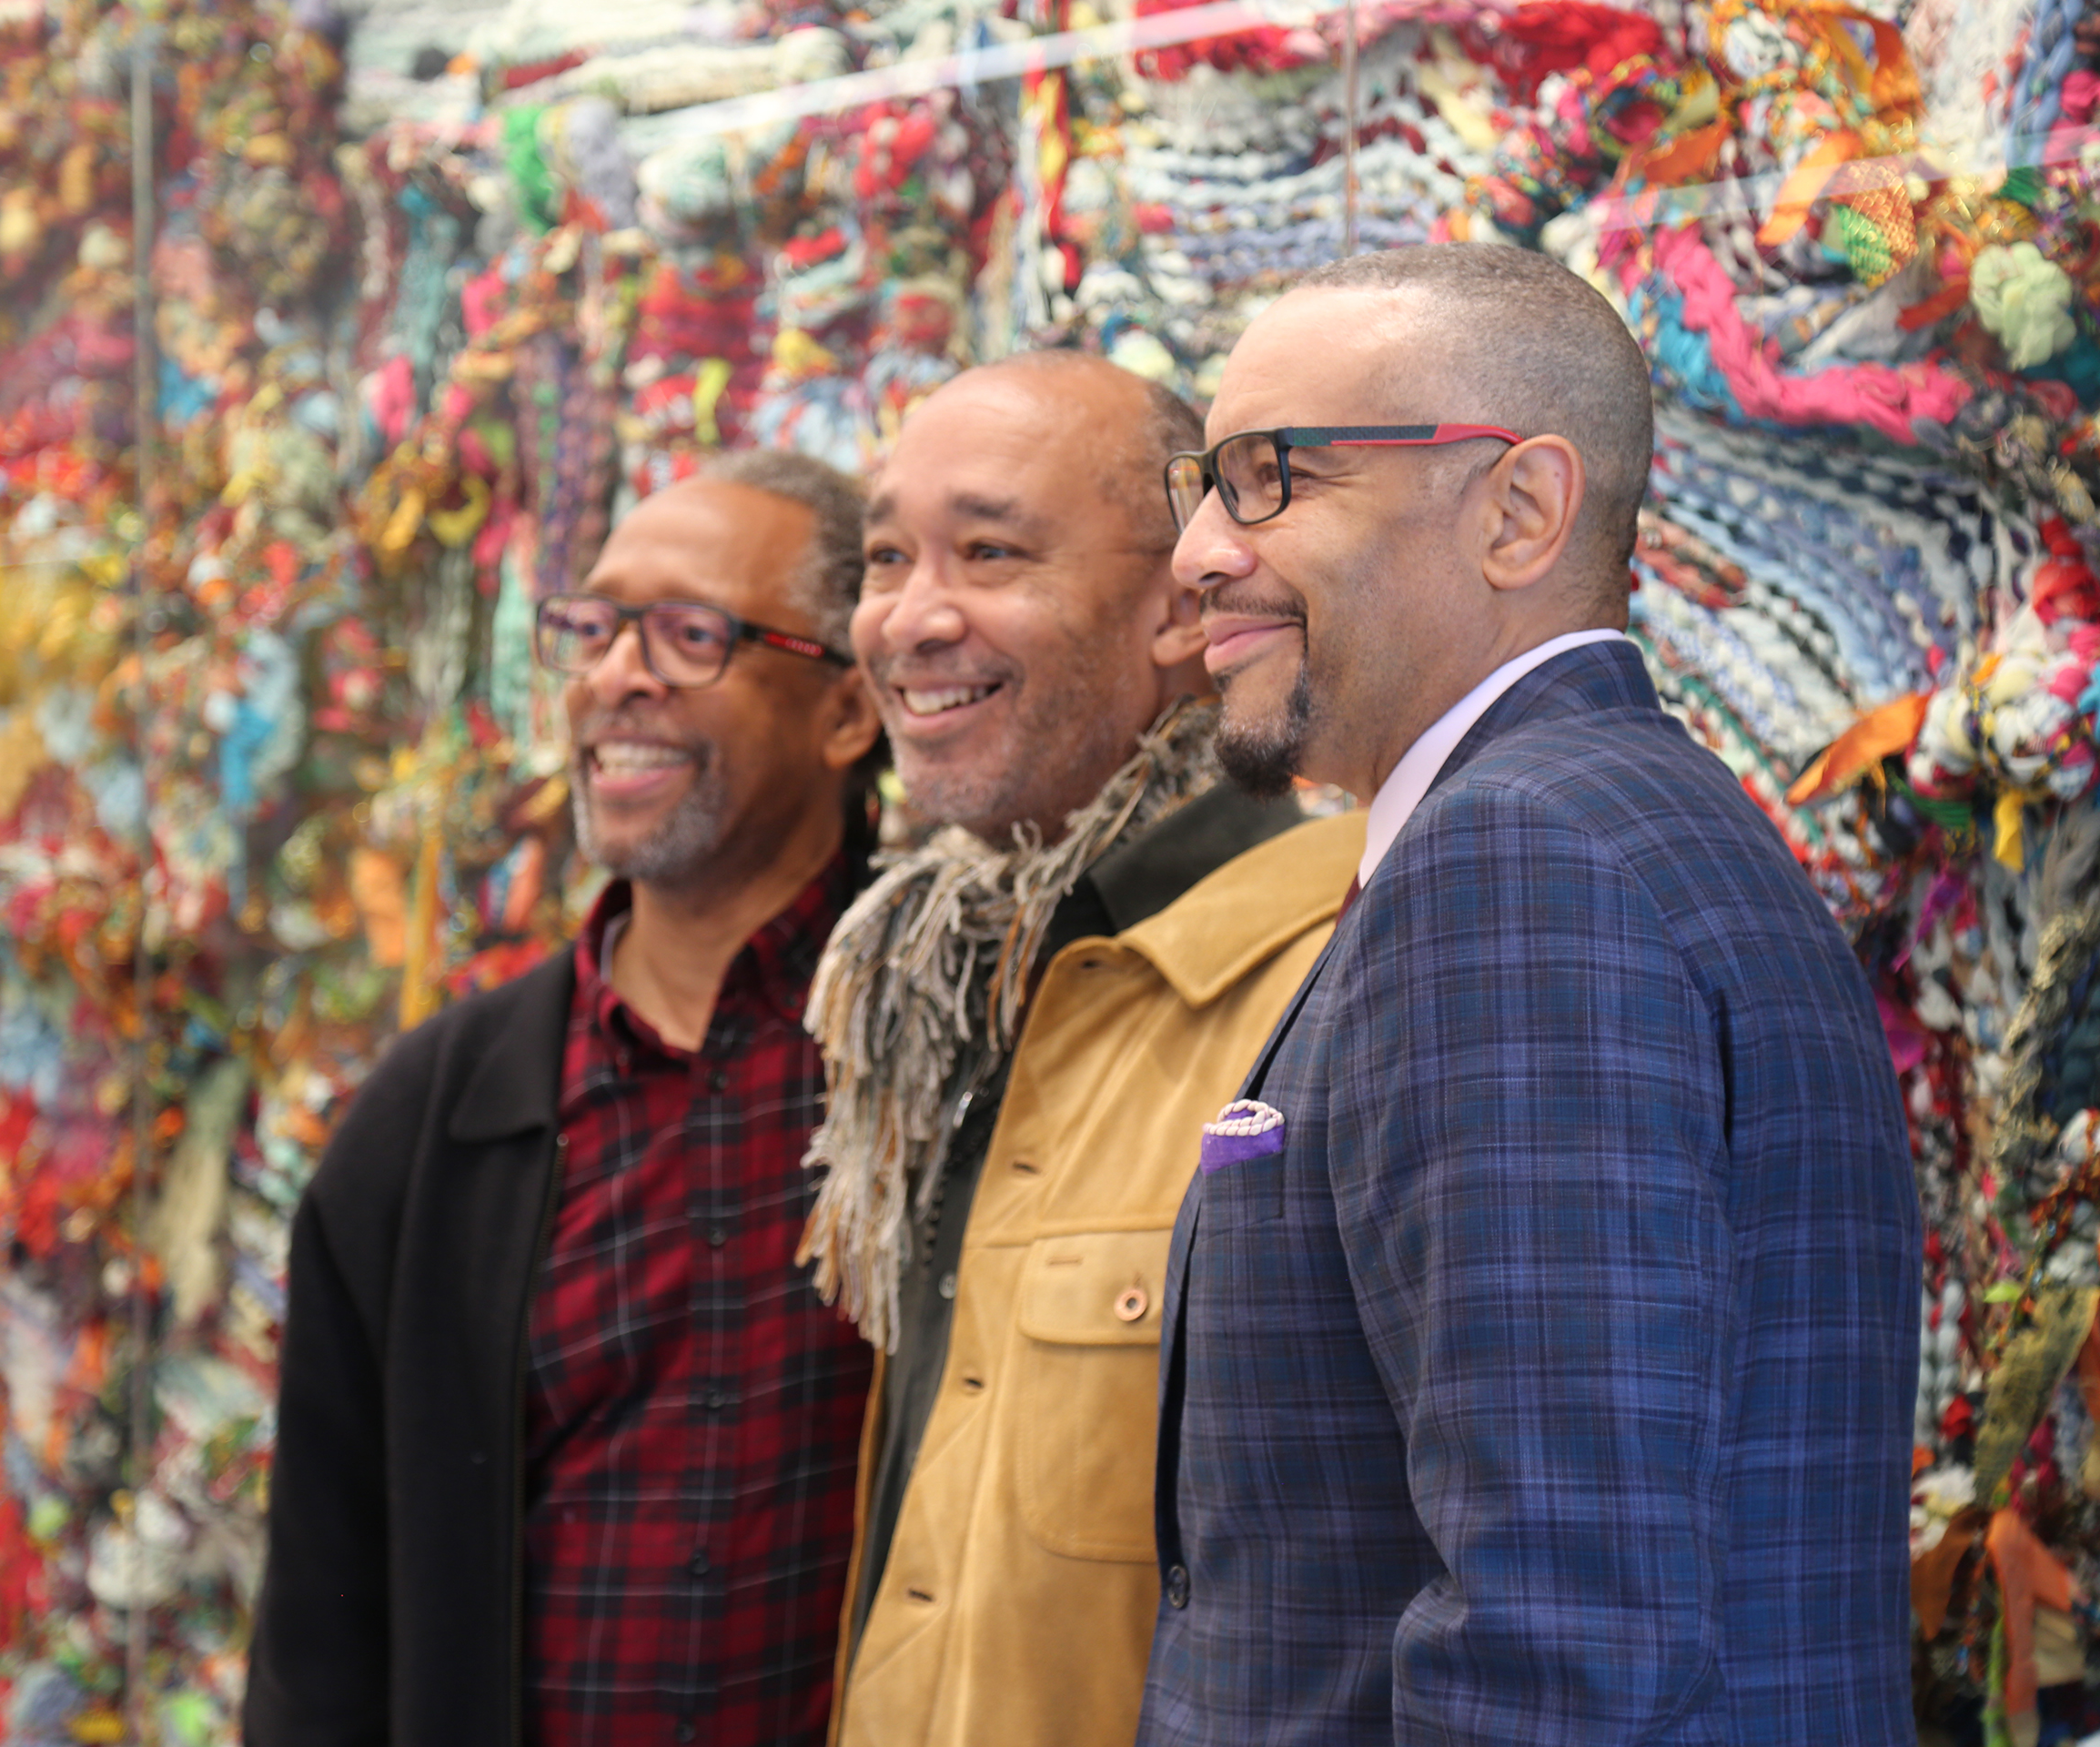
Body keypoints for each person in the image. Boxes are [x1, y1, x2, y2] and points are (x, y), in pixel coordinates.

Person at [1143, 245, 1923, 1746]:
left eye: (1269, 479)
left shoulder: (1518, 860)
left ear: (1519, 511)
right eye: (1202, 482)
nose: (1196, 555)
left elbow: (1562, 1643)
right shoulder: (1607, 821)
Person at [245, 452, 885, 1747]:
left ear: (849, 711)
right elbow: (325, 1622)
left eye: (690, 634)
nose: (614, 675)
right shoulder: (432, 1129)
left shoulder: (958, 1053)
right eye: (591, 628)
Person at [802, 351, 1361, 1747]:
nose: (911, 620)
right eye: (885, 559)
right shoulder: (930, 987)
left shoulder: (1332, 974)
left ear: (1183, 600)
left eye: (989, 552)